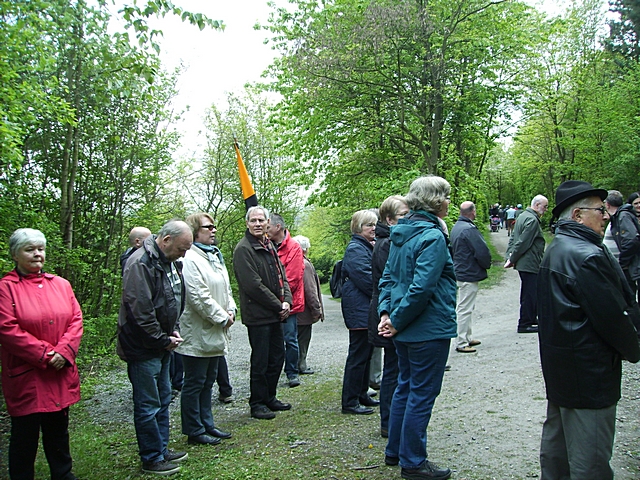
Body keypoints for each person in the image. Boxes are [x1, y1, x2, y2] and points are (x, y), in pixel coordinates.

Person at [538, 180, 640, 479]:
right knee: (590, 459)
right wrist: (633, 349)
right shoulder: (587, 255)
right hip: (589, 372)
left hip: (563, 368)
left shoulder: (559, 247)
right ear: (578, 215)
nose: (606, 215)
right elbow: (611, 317)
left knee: (558, 449)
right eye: (600, 210)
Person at [378, 176, 455, 480]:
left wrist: (387, 314)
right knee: (420, 393)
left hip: (406, 328)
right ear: (435, 201)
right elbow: (421, 289)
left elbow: (388, 279)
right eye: (445, 196)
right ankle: (413, 462)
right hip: (427, 329)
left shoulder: (401, 233)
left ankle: (395, 451)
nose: (448, 202)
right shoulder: (431, 236)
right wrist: (393, 319)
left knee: (406, 387)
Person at [0, 228, 83, 480]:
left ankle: (63, 474)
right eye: (30, 249)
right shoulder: (5, 288)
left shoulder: (61, 284)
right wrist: (46, 355)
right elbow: (7, 329)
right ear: (15, 254)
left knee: (58, 430)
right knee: (24, 435)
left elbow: (76, 320)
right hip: (27, 374)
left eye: (41, 249)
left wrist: (63, 352)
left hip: (59, 371)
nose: (37, 254)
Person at [117, 220, 192, 475]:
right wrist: (162, 339)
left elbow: (173, 299)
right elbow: (140, 311)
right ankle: (151, 457)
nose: (183, 255)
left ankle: (161, 448)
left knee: (162, 397)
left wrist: (174, 329)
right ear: (166, 240)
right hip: (143, 347)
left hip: (162, 343)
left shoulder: (167, 261)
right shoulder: (140, 263)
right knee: (148, 403)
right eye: (181, 249)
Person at [177, 213, 235, 446]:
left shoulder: (213, 256)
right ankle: (194, 429)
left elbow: (226, 289)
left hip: (216, 328)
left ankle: (207, 423)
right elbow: (198, 296)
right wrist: (222, 318)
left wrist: (231, 310)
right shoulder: (189, 259)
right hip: (198, 330)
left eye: (213, 226)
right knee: (195, 381)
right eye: (207, 227)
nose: (213, 230)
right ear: (194, 232)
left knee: (209, 379)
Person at [233, 206, 293, 420]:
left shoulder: (269, 245)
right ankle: (257, 403)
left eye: (261, 220)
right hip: (258, 315)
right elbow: (253, 285)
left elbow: (281, 276)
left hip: (275, 313)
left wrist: (287, 301)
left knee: (277, 357)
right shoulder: (243, 249)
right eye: (253, 220)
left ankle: (270, 397)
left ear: (268, 223)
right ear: (247, 223)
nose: (257, 224)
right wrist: (279, 305)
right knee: (261, 360)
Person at [368, 195, 409, 437]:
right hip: (388, 314)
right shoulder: (386, 244)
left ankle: (394, 420)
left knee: (397, 368)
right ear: (389, 219)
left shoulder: (390, 240)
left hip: (391, 312)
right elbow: (391, 283)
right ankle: (389, 422)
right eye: (403, 215)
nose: (408, 218)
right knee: (393, 369)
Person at [340, 209, 380, 415]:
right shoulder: (356, 249)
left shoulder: (366, 246)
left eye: (375, 224)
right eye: (369, 225)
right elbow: (366, 279)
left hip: (364, 307)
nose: (373, 228)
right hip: (359, 309)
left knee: (366, 354)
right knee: (358, 356)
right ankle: (350, 401)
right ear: (358, 228)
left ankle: (362, 393)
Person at [267, 213, 305, 388]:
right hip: (271, 302)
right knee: (273, 339)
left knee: (290, 338)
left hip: (289, 302)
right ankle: (272, 372)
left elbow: (293, 278)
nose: (265, 230)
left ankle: (292, 372)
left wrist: (282, 301)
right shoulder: (266, 245)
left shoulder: (294, 247)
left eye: (268, 227)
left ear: (278, 227)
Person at [450, 201, 492, 353]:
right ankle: (461, 342)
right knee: (465, 308)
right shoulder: (469, 229)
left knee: (466, 306)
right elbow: (481, 251)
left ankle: (467, 337)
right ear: (473, 212)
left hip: (460, 270)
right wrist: (486, 264)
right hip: (468, 272)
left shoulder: (456, 227)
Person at [504, 194, 549, 333]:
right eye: (545, 206)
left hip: (526, 262)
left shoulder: (523, 216)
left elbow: (513, 238)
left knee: (530, 292)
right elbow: (523, 242)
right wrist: (512, 259)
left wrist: (509, 255)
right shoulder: (532, 220)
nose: (546, 209)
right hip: (530, 262)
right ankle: (525, 323)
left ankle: (531, 318)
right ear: (537, 205)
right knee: (530, 294)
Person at [292, 235, 324, 375]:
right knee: (303, 339)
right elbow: (310, 289)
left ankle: (294, 364)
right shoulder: (305, 264)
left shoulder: (292, 262)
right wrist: (316, 309)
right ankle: (301, 365)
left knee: (294, 338)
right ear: (305, 248)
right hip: (304, 311)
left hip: (295, 309)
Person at [607, 190, 640, 299]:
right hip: (624, 267)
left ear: (607, 204)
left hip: (629, 267)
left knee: (631, 298)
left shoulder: (623, 215)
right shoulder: (617, 216)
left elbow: (632, 240)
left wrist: (623, 261)